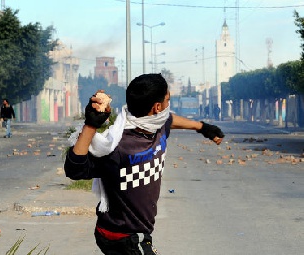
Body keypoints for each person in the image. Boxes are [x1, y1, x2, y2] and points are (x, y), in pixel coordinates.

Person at [64, 73, 225, 255]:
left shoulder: (158, 127)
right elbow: (75, 170)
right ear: (157, 107)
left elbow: (170, 119)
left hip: (135, 234)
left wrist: (202, 127)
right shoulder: (118, 146)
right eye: (167, 100)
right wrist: (90, 126)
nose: (168, 106)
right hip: (121, 236)